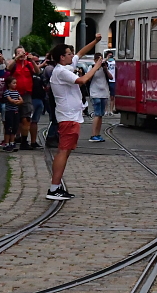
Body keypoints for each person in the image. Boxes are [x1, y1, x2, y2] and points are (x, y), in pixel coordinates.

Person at [47, 33, 103, 200]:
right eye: (69, 54)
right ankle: (54, 188)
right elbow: (82, 80)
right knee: (63, 151)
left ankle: (56, 186)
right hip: (68, 116)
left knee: (66, 151)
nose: (73, 56)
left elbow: (80, 53)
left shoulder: (65, 67)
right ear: (62, 57)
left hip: (71, 115)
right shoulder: (61, 71)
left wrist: (95, 41)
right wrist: (96, 66)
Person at [6, 46, 40, 150]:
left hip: (26, 94)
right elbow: (8, 68)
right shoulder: (14, 64)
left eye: (23, 52)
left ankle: (24, 141)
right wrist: (16, 59)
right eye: (18, 53)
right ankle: (13, 140)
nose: (21, 54)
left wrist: (32, 61)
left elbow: (37, 71)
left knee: (26, 118)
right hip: (14, 94)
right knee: (14, 118)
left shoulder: (28, 64)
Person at [87, 52, 113, 142]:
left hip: (104, 93)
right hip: (95, 93)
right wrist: (96, 68)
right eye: (98, 60)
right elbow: (88, 78)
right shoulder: (91, 67)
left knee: (101, 115)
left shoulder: (104, 67)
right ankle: (93, 135)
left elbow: (111, 77)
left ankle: (97, 134)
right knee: (97, 114)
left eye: (101, 60)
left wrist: (105, 69)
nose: (100, 62)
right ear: (95, 60)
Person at [1, 76, 23, 152]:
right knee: (8, 127)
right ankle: (7, 143)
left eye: (15, 83)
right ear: (8, 84)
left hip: (15, 112)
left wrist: (16, 102)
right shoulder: (7, 92)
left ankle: (12, 142)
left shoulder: (16, 92)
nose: (15, 84)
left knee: (14, 127)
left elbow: (21, 100)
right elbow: (10, 100)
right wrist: (16, 101)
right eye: (13, 83)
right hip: (9, 112)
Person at [105, 50, 117, 115]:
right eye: (109, 55)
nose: (110, 57)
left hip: (113, 80)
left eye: (111, 56)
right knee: (106, 96)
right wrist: (106, 59)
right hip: (106, 80)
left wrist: (115, 59)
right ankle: (106, 110)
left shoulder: (114, 62)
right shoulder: (105, 63)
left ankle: (111, 110)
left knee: (112, 96)